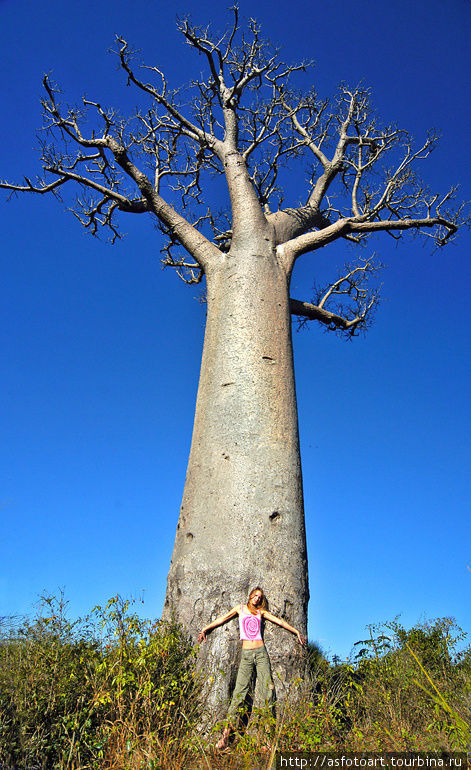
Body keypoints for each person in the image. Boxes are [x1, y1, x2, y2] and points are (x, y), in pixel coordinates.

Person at [197, 586, 306, 750]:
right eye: (255, 595)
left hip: (261, 653)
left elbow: (280, 621)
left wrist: (296, 632)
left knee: (268, 691)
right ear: (250, 596)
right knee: (238, 694)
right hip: (246, 655)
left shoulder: (261, 613)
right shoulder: (239, 609)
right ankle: (225, 737)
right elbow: (222, 619)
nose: (257, 598)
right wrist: (206, 628)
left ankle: (268, 739)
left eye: (259, 597)